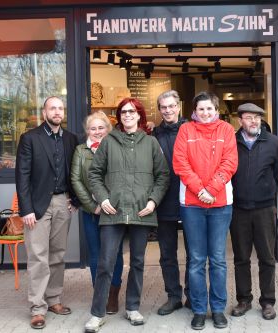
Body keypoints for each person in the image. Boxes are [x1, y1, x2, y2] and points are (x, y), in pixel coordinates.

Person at [84, 98, 169, 332]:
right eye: (123, 112)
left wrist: (153, 202)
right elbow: (94, 175)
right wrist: (103, 198)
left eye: (132, 111)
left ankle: (133, 307)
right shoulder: (108, 142)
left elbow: (163, 175)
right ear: (119, 116)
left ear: (139, 115)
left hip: (142, 211)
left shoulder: (151, 143)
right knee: (105, 263)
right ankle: (97, 313)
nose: (128, 115)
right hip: (114, 212)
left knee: (139, 262)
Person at [172, 91, 238, 330]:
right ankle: (199, 309)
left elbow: (230, 162)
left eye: (209, 108)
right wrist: (201, 190)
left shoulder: (226, 131)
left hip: (221, 203)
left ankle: (218, 309)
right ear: (194, 111)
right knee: (197, 259)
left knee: (218, 259)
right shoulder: (185, 131)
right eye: (201, 109)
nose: (205, 113)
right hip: (192, 204)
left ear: (216, 110)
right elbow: (180, 162)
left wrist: (212, 189)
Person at [15, 96, 79, 330]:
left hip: (63, 202)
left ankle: (53, 300)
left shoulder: (71, 139)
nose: (57, 112)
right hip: (38, 207)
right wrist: (26, 209)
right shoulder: (30, 138)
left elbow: (76, 171)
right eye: (52, 108)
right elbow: (21, 176)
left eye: (60, 108)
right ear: (44, 113)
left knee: (58, 255)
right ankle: (37, 308)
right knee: (38, 258)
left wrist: (76, 200)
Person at [230, 103, 278, 320]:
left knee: (267, 257)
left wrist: (267, 193)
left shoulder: (274, 142)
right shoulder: (232, 142)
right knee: (241, 258)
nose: (254, 121)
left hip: (264, 209)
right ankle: (244, 299)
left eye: (257, 117)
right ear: (240, 120)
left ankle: (268, 302)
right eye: (249, 117)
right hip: (238, 210)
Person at [70, 111, 124, 314]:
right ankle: (99, 292)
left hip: (113, 211)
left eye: (101, 127)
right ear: (87, 131)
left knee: (115, 254)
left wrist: (110, 202)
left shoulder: (117, 147)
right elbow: (75, 179)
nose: (97, 132)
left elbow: (122, 178)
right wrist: (93, 205)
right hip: (91, 211)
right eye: (93, 128)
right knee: (96, 254)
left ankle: (112, 296)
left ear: (108, 129)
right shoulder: (80, 150)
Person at [152, 90, 191, 315]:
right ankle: (173, 296)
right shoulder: (154, 134)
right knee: (167, 253)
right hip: (164, 200)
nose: (167, 110)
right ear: (160, 110)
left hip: (189, 199)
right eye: (163, 107)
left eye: (171, 106)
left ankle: (192, 296)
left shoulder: (191, 130)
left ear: (178, 107)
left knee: (193, 253)